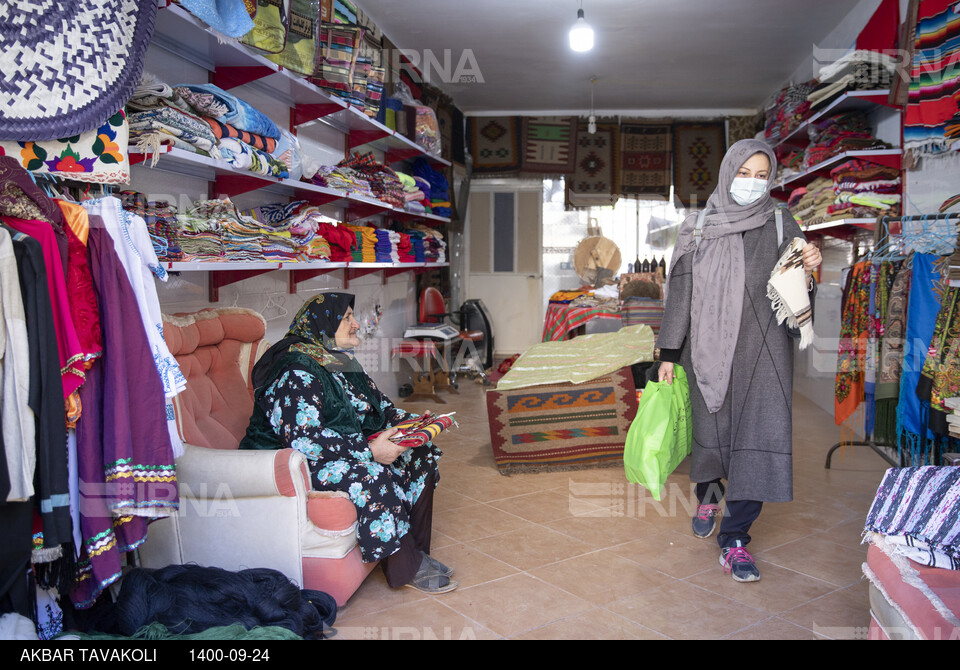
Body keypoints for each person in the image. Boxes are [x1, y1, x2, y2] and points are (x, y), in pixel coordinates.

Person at [656, 139, 822, 583]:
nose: (751, 182)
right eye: (743, 172)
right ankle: (708, 494)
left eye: (760, 174)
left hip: (763, 352)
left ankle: (734, 540)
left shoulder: (781, 221)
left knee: (757, 440)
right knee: (712, 435)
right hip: (707, 353)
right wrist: (669, 354)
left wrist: (810, 267)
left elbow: (794, 289)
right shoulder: (698, 224)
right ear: (728, 172)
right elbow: (681, 292)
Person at [239, 292, 456, 594]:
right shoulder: (296, 370)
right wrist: (369, 451)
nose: (356, 324)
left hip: (336, 450)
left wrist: (415, 423)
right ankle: (405, 568)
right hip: (294, 463)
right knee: (373, 474)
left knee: (422, 455)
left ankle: (415, 552)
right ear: (323, 325)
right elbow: (304, 439)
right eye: (346, 318)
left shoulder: (339, 361)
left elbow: (381, 408)